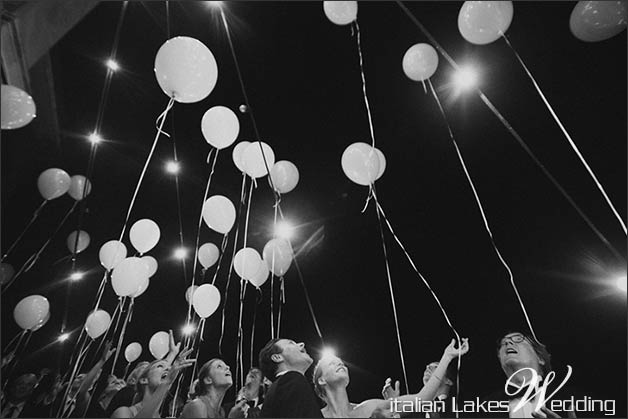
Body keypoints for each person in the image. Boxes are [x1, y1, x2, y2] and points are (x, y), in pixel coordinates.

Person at [312, 338, 469, 418]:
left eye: (342, 363)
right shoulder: (313, 415)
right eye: (332, 364)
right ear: (321, 380)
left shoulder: (369, 408)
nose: (341, 365)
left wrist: (447, 357)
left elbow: (421, 399)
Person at [480, 331, 576, 418]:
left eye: (518, 339)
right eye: (503, 343)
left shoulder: (572, 399)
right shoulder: (484, 407)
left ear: (540, 358)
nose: (508, 343)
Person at [111, 348, 195, 418]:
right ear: (144, 380)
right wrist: (167, 382)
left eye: (169, 368)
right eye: (160, 366)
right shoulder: (124, 412)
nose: (169, 370)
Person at [258, 338, 322, 418]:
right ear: (277, 357)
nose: (302, 344)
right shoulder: (291, 380)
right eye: (291, 343)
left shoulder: (280, 387)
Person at [179, 358, 247, 419]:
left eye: (226, 366)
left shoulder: (221, 413)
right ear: (208, 380)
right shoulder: (197, 406)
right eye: (219, 366)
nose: (228, 367)